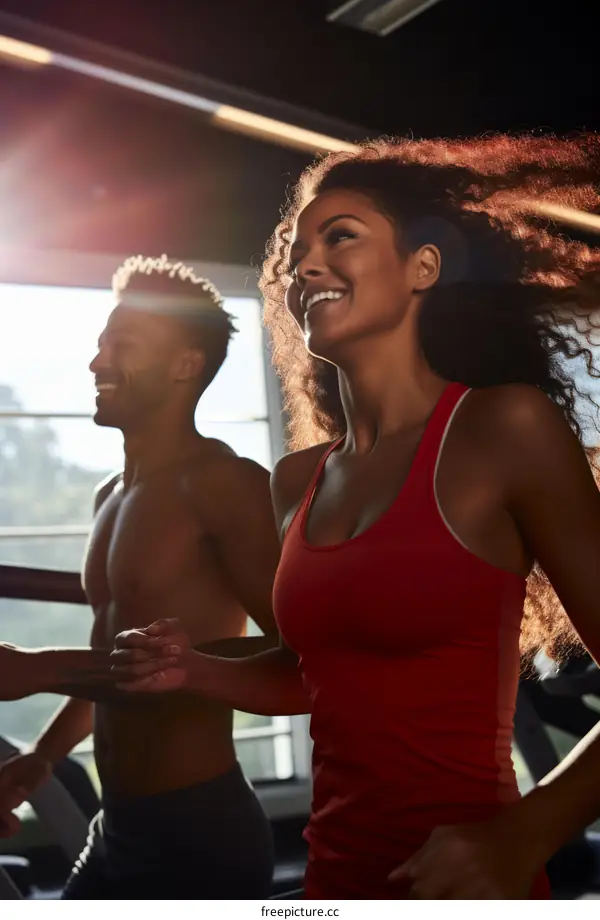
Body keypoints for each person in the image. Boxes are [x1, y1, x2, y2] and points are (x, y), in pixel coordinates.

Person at [111, 136, 600, 899]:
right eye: (296, 250)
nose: (304, 265)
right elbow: (321, 674)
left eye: (340, 235)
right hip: (331, 885)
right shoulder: (299, 479)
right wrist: (196, 670)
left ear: (423, 270)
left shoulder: (503, 429)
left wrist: (525, 833)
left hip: (468, 891)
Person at [0, 255, 280, 898]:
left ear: (185, 363)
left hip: (198, 831)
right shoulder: (111, 496)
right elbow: (115, 653)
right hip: (117, 824)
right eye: (100, 344)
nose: (97, 363)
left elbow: (304, 657)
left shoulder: (226, 485)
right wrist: (44, 755)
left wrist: (43, 666)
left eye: (122, 345)